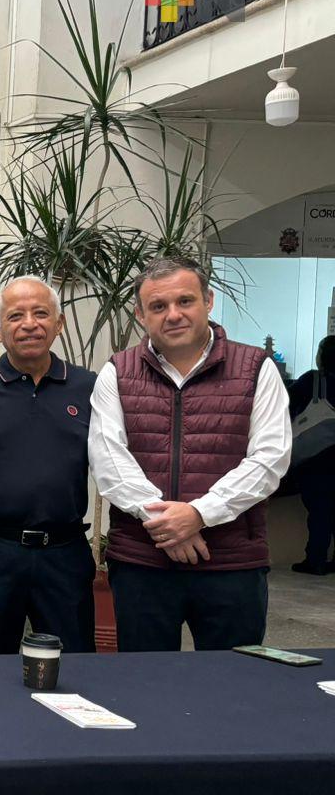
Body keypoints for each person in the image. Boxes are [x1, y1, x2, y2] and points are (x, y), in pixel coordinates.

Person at [90, 256, 291, 651]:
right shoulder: (117, 371)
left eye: (185, 301)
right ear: (140, 314)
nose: (173, 315)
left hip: (231, 563)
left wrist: (199, 514)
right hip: (143, 564)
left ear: (208, 301)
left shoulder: (256, 368)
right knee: (144, 680)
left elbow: (270, 458)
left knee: (233, 680)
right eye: (158, 306)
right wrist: (168, 524)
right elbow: (108, 459)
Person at [0, 276, 96, 654]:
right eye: (16, 316)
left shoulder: (89, 387)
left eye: (41, 313)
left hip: (65, 551)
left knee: (75, 666)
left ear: (59, 324)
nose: (29, 324)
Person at [288, 334, 335, 574]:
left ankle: (315, 559)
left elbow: (284, 404)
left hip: (316, 458)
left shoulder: (311, 380)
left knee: (319, 509)